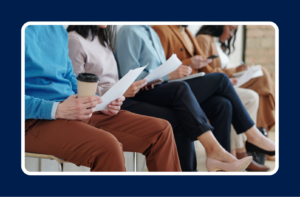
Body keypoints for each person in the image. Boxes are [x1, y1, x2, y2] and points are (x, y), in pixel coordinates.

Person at [67, 25, 253, 172]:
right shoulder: (76, 40)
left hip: (121, 99)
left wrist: (130, 86)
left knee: (219, 104)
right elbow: (78, 90)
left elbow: (117, 80)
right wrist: (123, 90)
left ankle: (211, 163)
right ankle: (224, 149)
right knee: (183, 93)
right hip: (111, 105)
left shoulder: (103, 40)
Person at [114, 25, 275, 170]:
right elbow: (130, 76)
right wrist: (169, 75)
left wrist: (173, 73)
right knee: (219, 79)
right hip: (142, 94)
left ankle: (224, 166)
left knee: (221, 104)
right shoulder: (129, 31)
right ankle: (251, 135)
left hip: (162, 86)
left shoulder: (152, 33)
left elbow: (160, 69)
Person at [25, 25, 182, 172]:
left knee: (161, 130)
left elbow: (68, 77)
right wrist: (56, 110)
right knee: (107, 146)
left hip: (71, 109)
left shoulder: (57, 28)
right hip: (33, 119)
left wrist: (99, 102)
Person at [195, 25, 275, 132]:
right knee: (262, 74)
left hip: (227, 79)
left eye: (234, 31)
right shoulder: (203, 39)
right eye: (231, 29)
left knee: (261, 86)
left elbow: (221, 69)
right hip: (218, 84)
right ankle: (260, 132)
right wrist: (234, 71)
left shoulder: (219, 44)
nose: (231, 35)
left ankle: (259, 132)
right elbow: (205, 71)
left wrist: (237, 70)